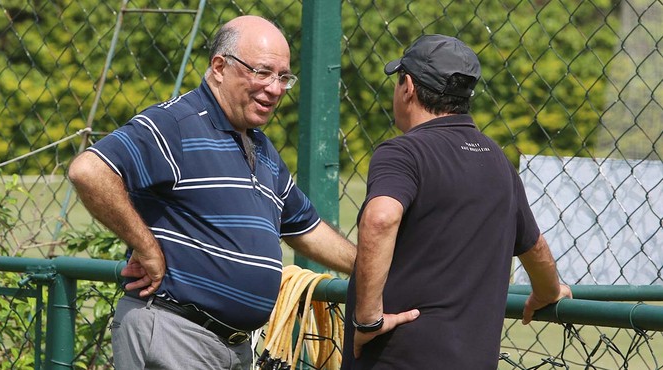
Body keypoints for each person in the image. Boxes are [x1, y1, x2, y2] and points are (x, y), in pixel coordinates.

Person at [68, 15, 356, 370]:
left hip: (232, 348)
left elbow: (305, 228)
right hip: (176, 333)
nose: (276, 88)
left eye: (283, 77)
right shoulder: (177, 123)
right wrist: (147, 247)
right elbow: (89, 171)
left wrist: (371, 267)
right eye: (262, 72)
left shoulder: (262, 150)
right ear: (220, 66)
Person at [340, 34, 572, 369]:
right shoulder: (497, 160)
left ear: (407, 86)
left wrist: (368, 319)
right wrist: (549, 292)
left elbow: (380, 219)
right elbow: (533, 245)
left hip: (395, 358)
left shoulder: (403, 151)